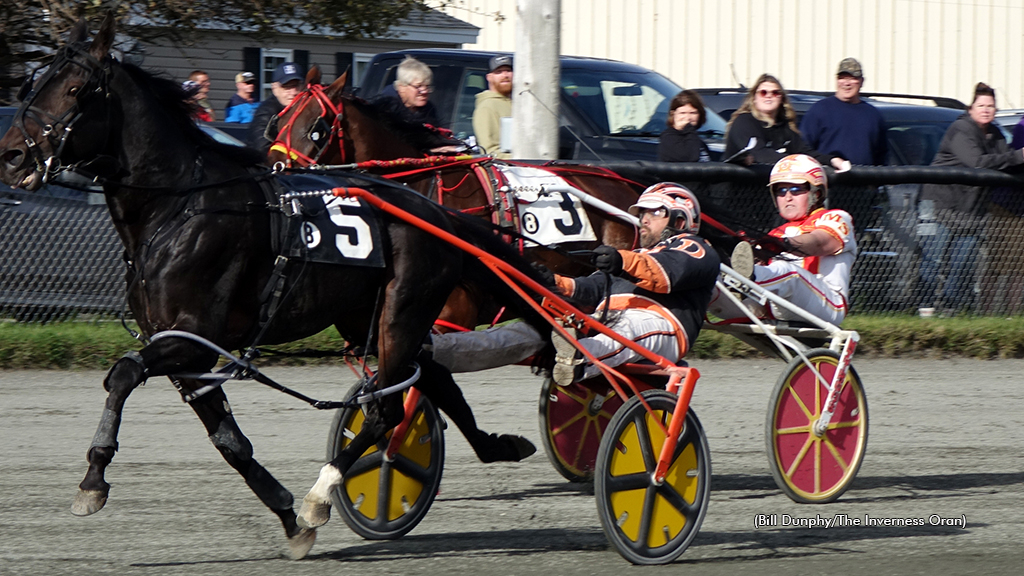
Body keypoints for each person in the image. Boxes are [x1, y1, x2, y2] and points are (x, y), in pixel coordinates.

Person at [427, 183, 721, 386]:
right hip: (604, 318)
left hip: (662, 324)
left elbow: (667, 274)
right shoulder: (638, 254)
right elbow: (591, 288)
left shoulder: (696, 247)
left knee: (624, 333)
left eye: (654, 213)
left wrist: (622, 261)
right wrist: (550, 282)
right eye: (641, 213)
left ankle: (576, 358)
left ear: (681, 220)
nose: (643, 220)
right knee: (533, 328)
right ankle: (438, 350)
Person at [708, 154, 857, 326]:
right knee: (712, 280)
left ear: (816, 194)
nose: (787, 197)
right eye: (781, 190)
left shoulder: (836, 217)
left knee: (788, 272)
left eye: (796, 189)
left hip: (829, 306)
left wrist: (782, 245)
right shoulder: (777, 232)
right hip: (775, 304)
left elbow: (820, 242)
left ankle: (746, 278)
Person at [918, 82, 1024, 316]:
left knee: (961, 265)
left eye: (991, 106)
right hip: (939, 207)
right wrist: (1020, 155)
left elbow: (1007, 162)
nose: (986, 109)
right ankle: (924, 312)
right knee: (932, 261)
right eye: (981, 105)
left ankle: (951, 312)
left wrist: (1016, 158)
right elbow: (977, 162)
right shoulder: (961, 129)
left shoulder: (995, 134)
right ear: (971, 107)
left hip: (971, 212)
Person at [724, 74, 848, 171]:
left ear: (781, 98)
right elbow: (759, 154)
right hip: (735, 197)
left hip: (767, 197)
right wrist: (797, 162)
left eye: (775, 92)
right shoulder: (744, 121)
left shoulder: (785, 128)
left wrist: (833, 160)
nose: (769, 96)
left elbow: (806, 153)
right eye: (763, 92)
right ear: (754, 98)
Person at [800, 58, 888, 166]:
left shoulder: (873, 115)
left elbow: (882, 155)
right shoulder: (819, 110)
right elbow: (803, 150)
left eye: (852, 78)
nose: (847, 83)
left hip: (865, 179)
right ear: (837, 80)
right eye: (842, 78)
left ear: (861, 81)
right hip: (828, 179)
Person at [247, 62, 304, 156]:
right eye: (287, 86)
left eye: (296, 85)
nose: (293, 92)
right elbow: (263, 149)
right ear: (274, 89)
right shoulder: (266, 113)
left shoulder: (305, 110)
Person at [370, 56, 440, 126]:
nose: (424, 92)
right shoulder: (385, 112)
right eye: (418, 86)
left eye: (427, 86)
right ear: (402, 87)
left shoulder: (429, 109)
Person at [472, 55, 513, 159]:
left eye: (508, 70)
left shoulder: (520, 103)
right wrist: (524, 157)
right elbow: (490, 152)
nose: (505, 75)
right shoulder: (487, 107)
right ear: (489, 77)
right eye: (498, 72)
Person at [658, 90, 712, 163]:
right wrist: (689, 129)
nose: (688, 117)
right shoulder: (668, 137)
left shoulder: (695, 138)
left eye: (693, 113)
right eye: (682, 113)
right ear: (673, 114)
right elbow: (690, 158)